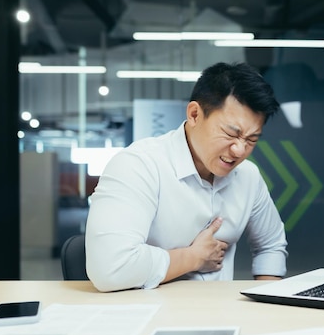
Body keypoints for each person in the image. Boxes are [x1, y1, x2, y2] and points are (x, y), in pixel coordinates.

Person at [85, 62, 288, 292]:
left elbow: (270, 245)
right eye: (231, 133)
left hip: (221, 315)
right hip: (149, 316)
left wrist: (269, 300)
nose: (240, 150)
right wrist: (193, 257)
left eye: (251, 140)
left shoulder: (248, 177)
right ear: (194, 114)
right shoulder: (140, 165)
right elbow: (110, 267)